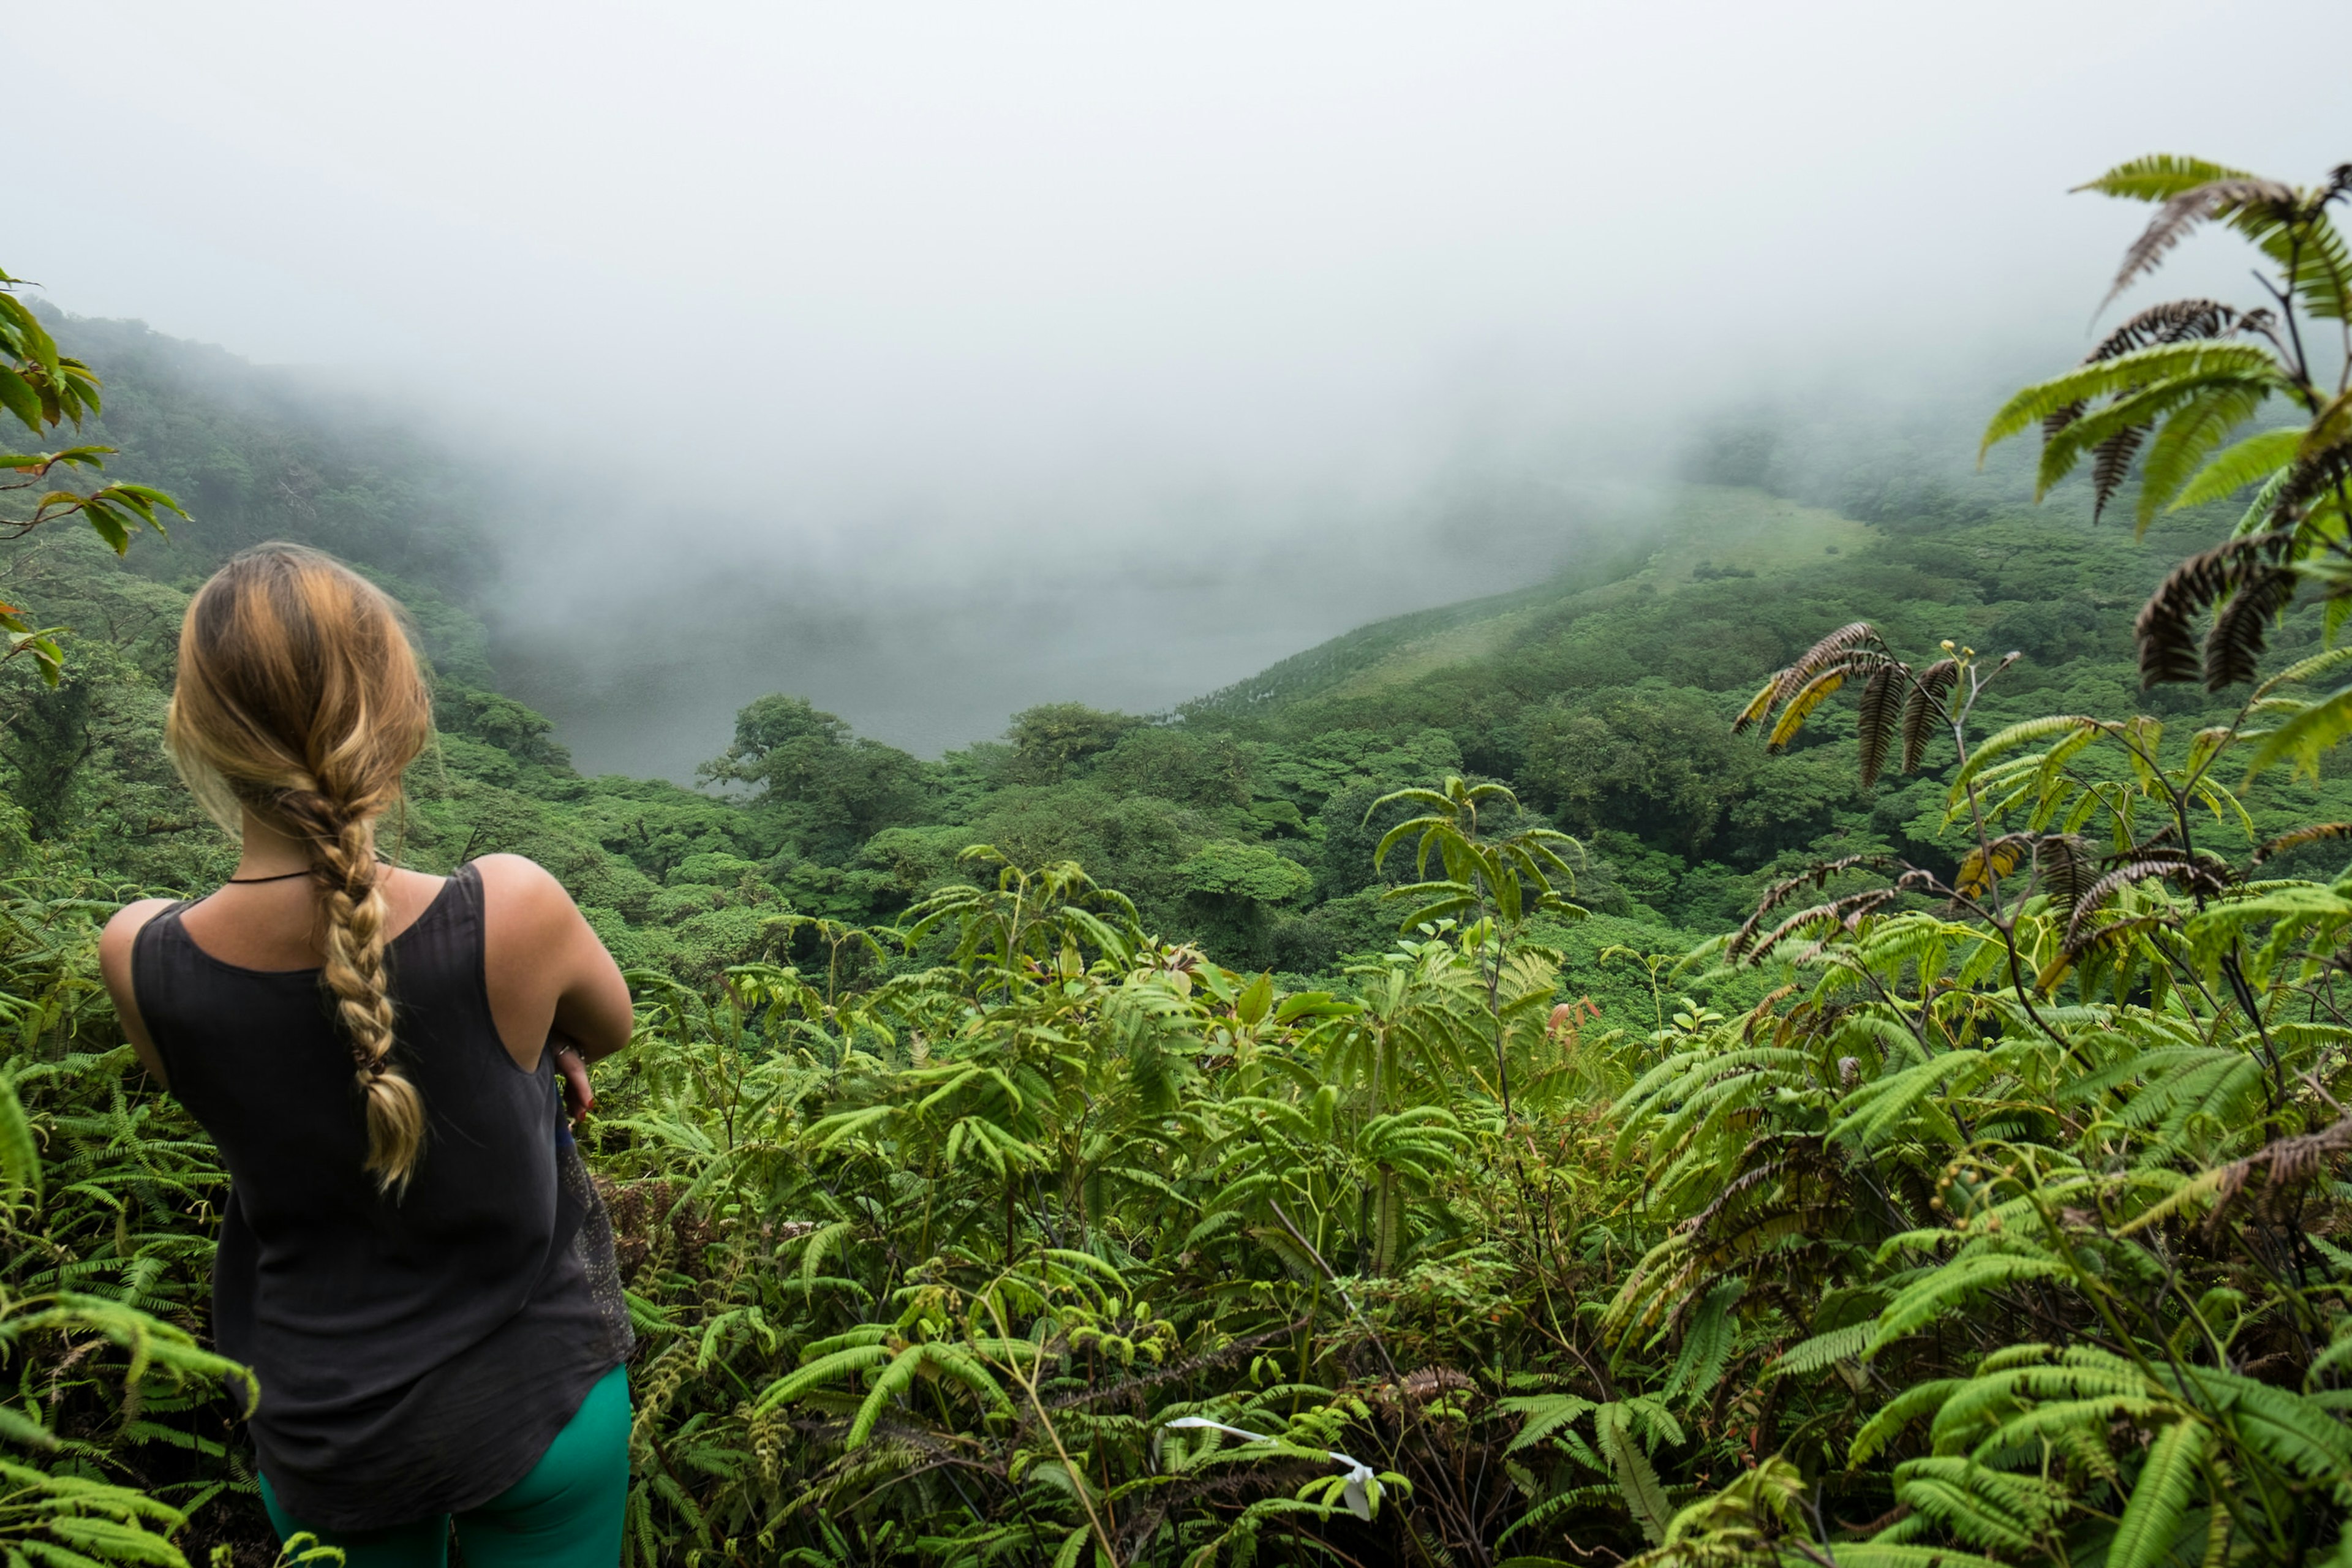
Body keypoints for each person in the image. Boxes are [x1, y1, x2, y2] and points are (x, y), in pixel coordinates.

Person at [98, 544, 638, 1568]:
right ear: (400, 712)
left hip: (326, 1436)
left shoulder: (141, 957)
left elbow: (220, 1088)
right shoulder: (510, 910)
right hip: (544, 1396)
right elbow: (609, 1027)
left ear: (198, 732)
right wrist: (534, 1030)